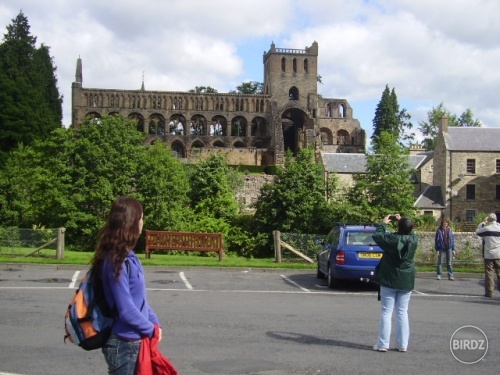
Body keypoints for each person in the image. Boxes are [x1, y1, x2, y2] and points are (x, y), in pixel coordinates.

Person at [91, 196, 162, 375]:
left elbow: (140, 300)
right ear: (131, 222)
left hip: (134, 341)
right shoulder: (117, 260)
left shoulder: (129, 257)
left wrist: (155, 323)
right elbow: (126, 309)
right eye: (141, 218)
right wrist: (150, 330)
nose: (142, 222)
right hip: (125, 345)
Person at [372, 214, 418, 353]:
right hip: (406, 280)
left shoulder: (392, 239)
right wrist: (402, 221)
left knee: (386, 312)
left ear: (398, 228)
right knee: (402, 312)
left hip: (389, 279)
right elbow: (410, 232)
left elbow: (378, 236)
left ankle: (383, 344)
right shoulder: (414, 240)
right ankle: (402, 344)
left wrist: (383, 223)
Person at [476, 213, 500, 298]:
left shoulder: (486, 229)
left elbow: (478, 232)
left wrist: (483, 223)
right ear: (496, 219)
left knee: (489, 274)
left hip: (489, 254)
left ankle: (489, 293)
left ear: (489, 220)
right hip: (499, 254)